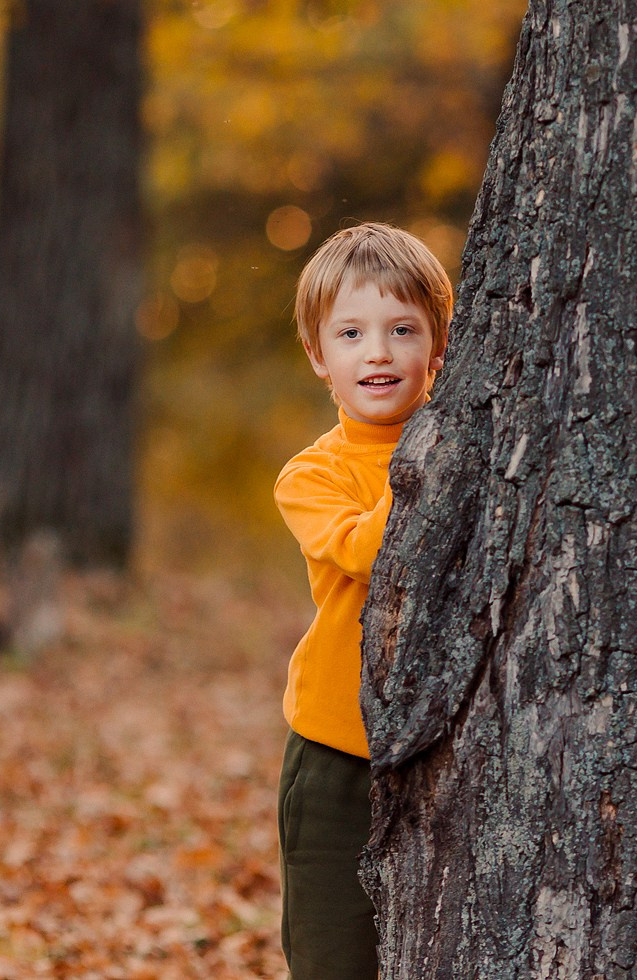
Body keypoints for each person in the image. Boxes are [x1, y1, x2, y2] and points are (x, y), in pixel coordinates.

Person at [274, 221, 453, 980]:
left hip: (443, 746)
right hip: (336, 751)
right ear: (320, 356)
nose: (377, 352)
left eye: (402, 329)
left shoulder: (473, 443)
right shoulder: (311, 476)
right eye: (351, 332)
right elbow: (367, 549)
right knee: (333, 953)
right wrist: (429, 463)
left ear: (439, 351)